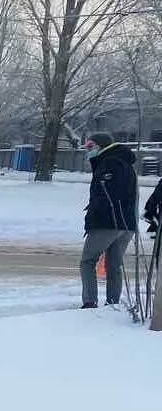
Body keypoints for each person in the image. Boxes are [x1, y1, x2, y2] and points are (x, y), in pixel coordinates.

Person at [80, 132, 137, 308]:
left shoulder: (109, 163)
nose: (87, 151)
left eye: (90, 147)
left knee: (88, 261)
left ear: (101, 146)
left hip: (107, 223)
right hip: (127, 224)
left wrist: (95, 213)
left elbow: (106, 194)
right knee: (114, 264)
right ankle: (113, 303)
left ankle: (90, 302)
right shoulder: (125, 163)